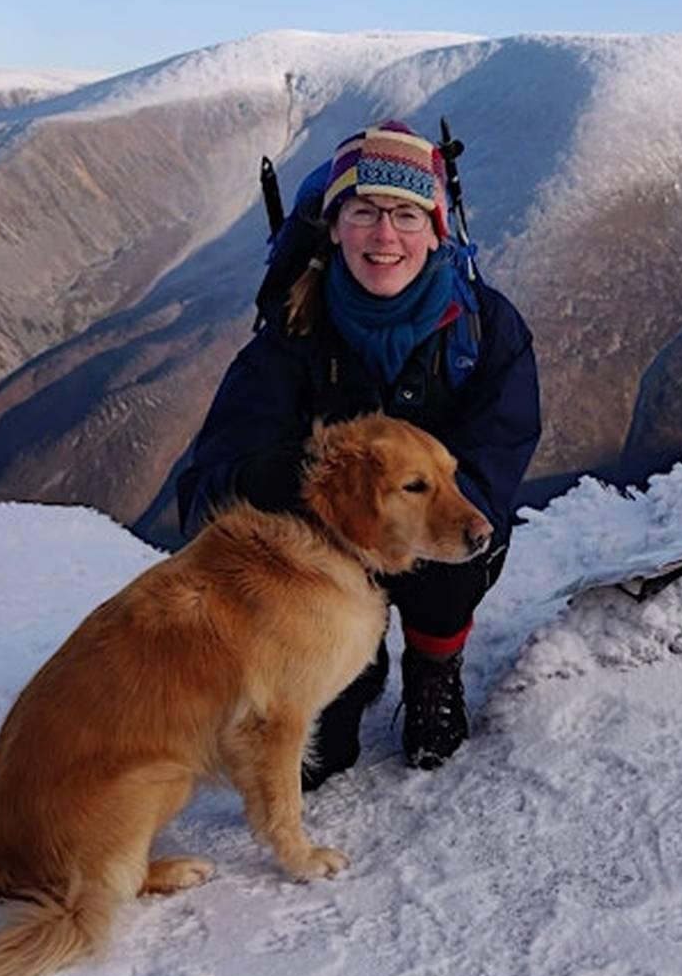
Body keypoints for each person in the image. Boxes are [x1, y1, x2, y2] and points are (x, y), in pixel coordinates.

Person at [177, 120, 541, 780]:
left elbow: (498, 451)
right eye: (364, 211)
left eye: (406, 214)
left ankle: (433, 665)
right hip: (327, 561)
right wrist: (309, 487)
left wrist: (415, 520)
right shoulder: (292, 336)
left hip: (426, 543)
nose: (384, 235)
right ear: (334, 226)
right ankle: (350, 663)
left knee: (456, 536)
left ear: (436, 231)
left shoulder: (487, 331)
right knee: (321, 758)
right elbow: (213, 482)